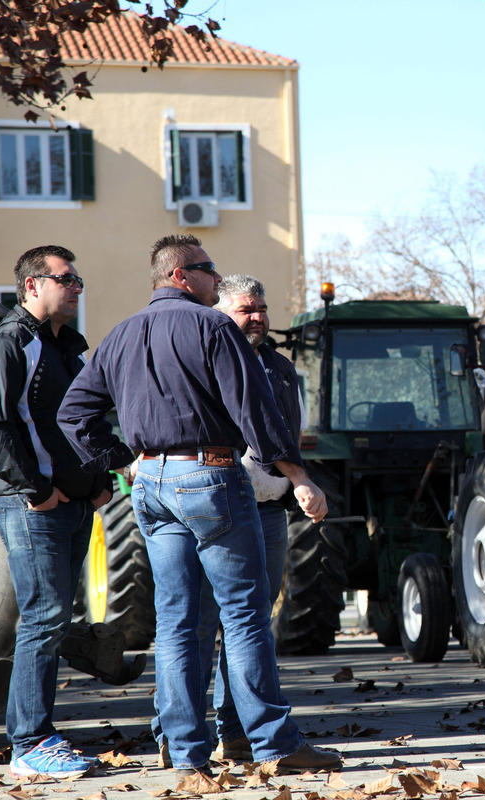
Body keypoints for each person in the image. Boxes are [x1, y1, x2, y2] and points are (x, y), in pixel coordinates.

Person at [56, 235, 340, 782]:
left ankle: (186, 752)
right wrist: (299, 475)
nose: (218, 279)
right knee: (245, 613)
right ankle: (272, 744)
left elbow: (74, 415)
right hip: (210, 476)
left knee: (178, 621)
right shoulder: (213, 327)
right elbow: (255, 412)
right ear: (184, 275)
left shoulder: (120, 335)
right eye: (211, 271)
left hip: (153, 483)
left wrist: (124, 461)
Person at [0, 245, 112, 779]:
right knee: (45, 617)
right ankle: (29, 743)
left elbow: (85, 421)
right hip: (33, 505)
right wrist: (36, 491)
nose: (77, 287)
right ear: (32, 285)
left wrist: (98, 486)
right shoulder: (8, 342)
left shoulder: (68, 349)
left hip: (75, 505)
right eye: (66, 278)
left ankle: (40, 735)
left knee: (53, 620)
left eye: (79, 279)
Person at [198, 274, 305, 761]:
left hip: (269, 511)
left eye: (261, 308)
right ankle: (177, 734)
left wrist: (293, 483)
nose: (258, 317)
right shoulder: (205, 358)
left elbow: (289, 433)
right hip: (216, 505)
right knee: (201, 622)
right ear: (221, 312)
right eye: (246, 309)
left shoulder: (282, 369)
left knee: (253, 622)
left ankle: (235, 731)